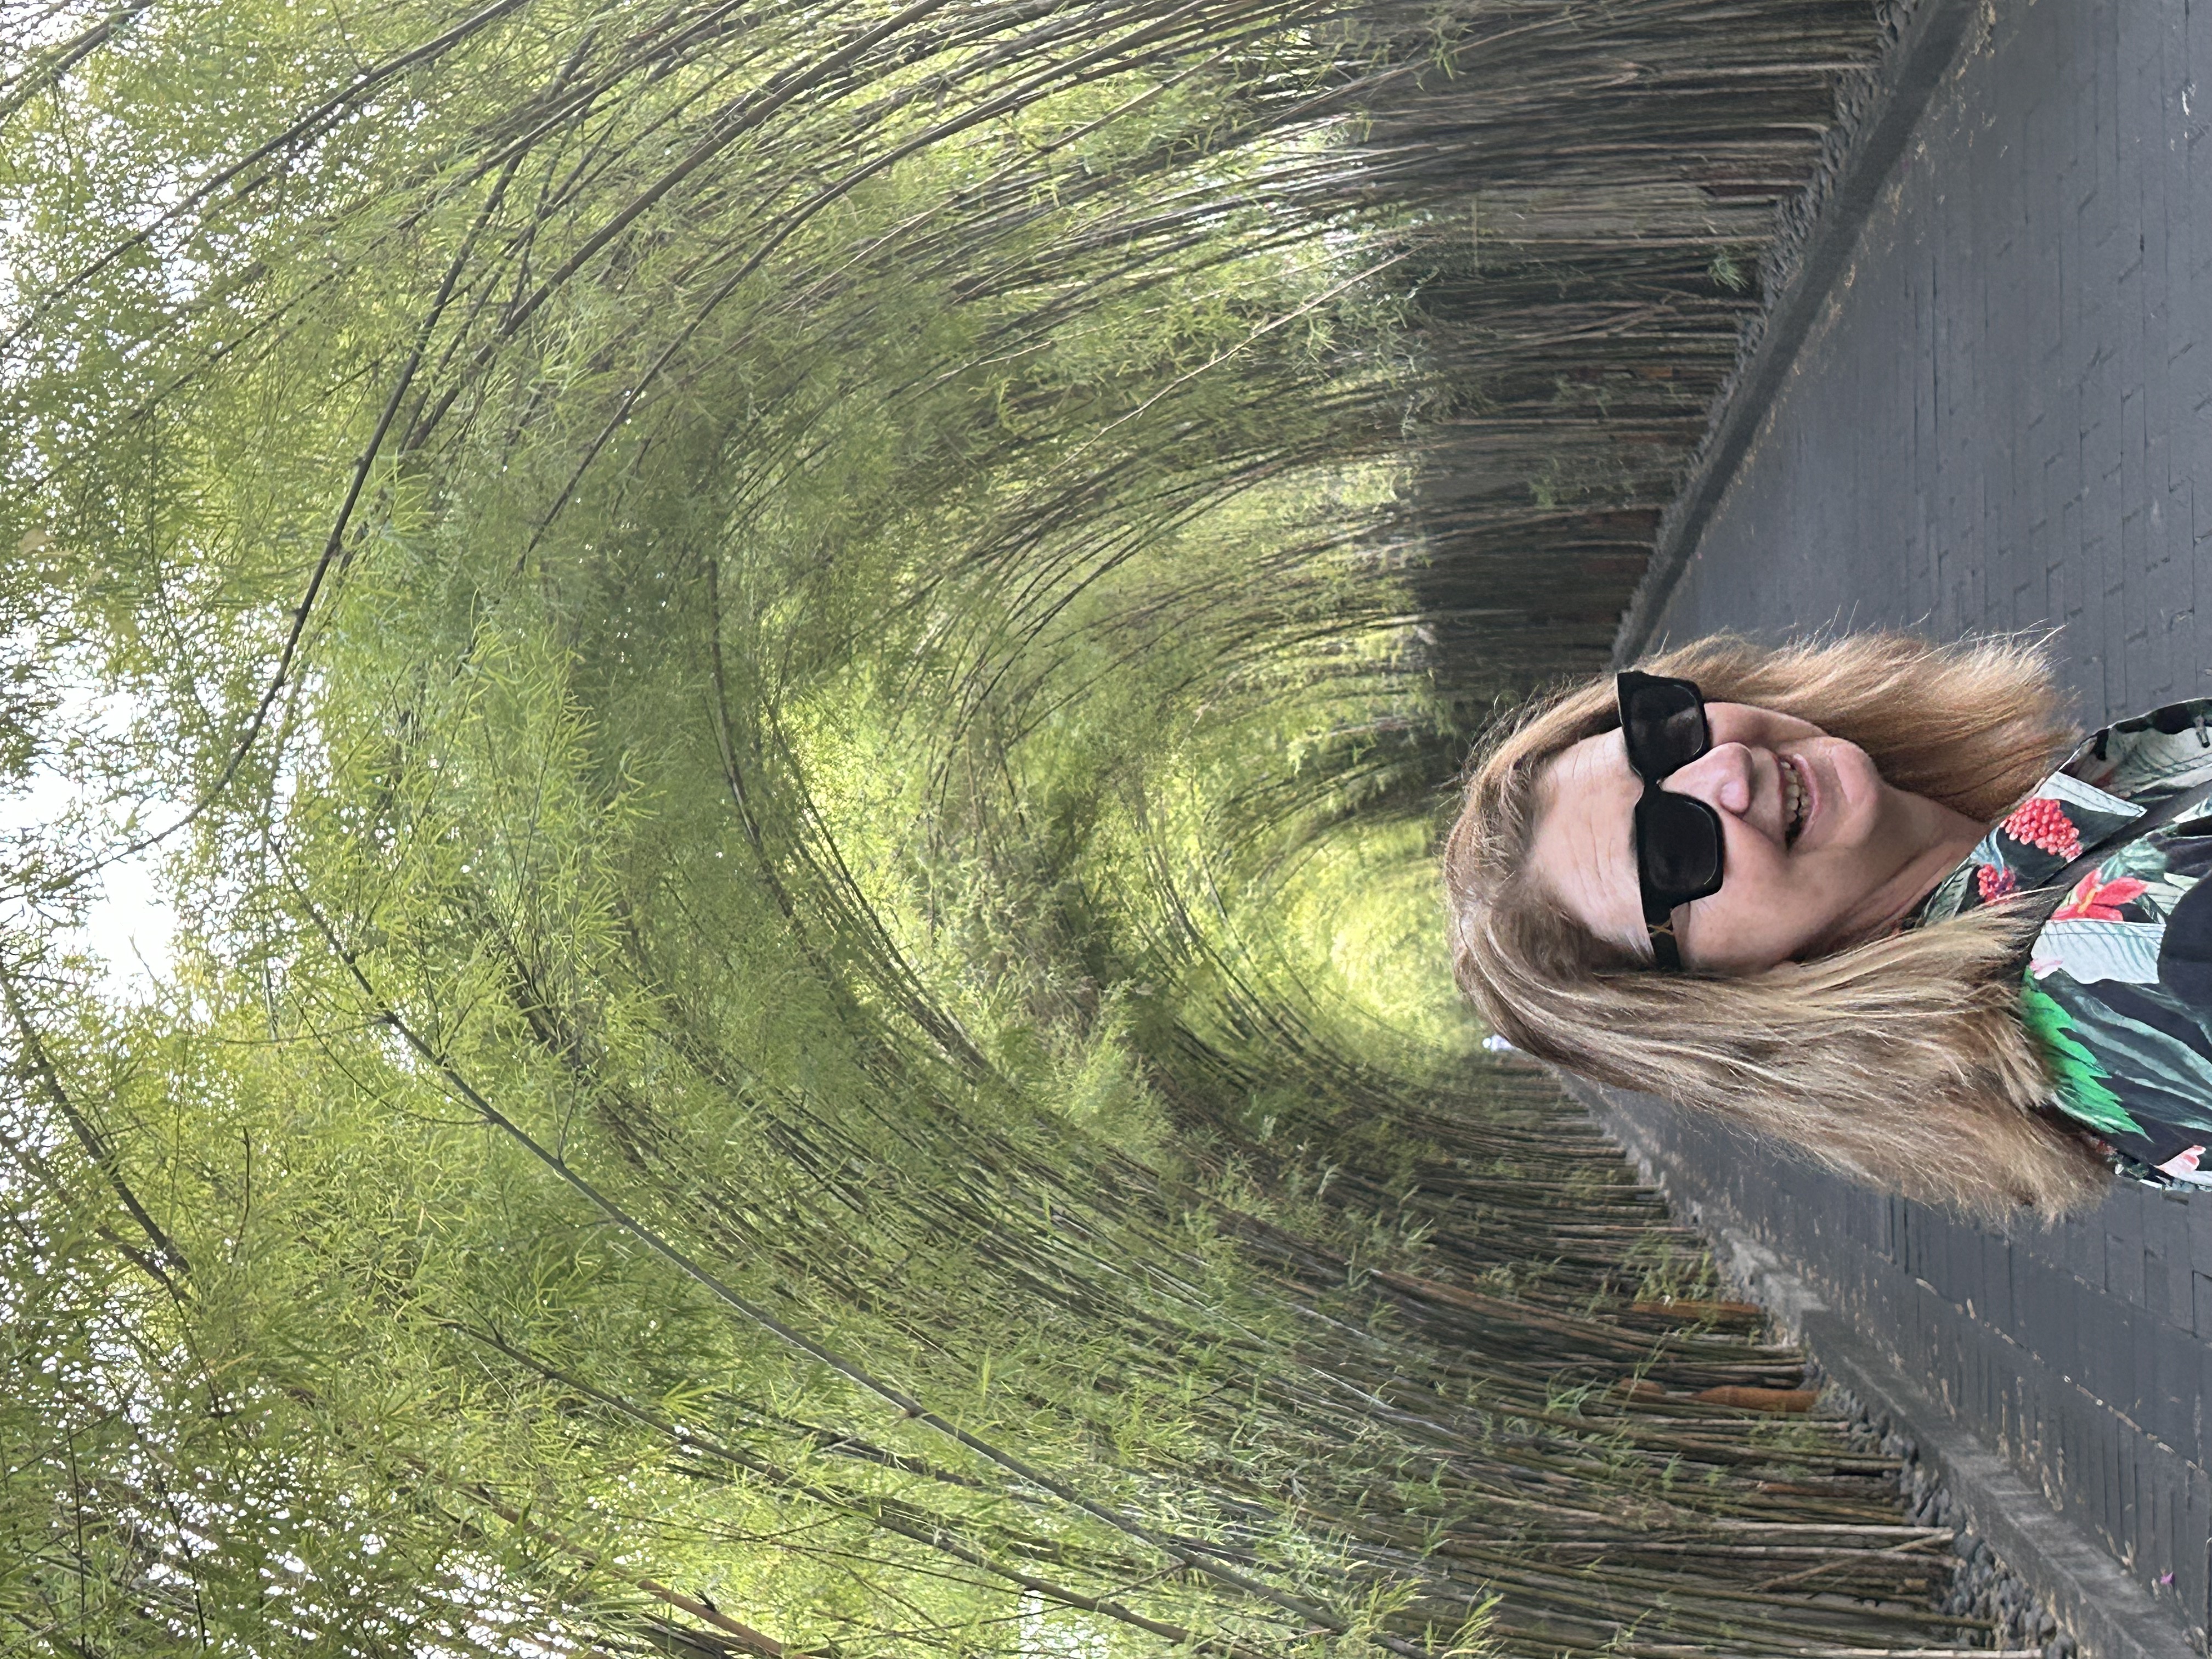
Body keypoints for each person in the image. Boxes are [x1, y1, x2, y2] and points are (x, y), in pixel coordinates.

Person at [1443, 631, 2212, 1218]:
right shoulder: (2125, 969)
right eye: (1672, 851)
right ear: (1721, 1000)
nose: (1726, 768)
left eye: (1663, 739)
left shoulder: (2042, 855)